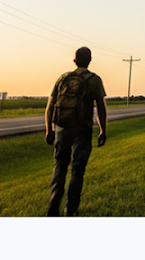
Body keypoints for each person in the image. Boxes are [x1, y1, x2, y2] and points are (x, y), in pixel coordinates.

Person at [44, 46, 107, 217]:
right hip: (82, 129)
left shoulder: (63, 78)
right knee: (77, 170)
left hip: (61, 129)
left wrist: (49, 129)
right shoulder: (94, 80)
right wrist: (103, 130)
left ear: (74, 60)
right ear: (90, 60)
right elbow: (100, 107)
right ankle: (71, 209)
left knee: (59, 167)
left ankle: (53, 207)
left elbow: (50, 106)